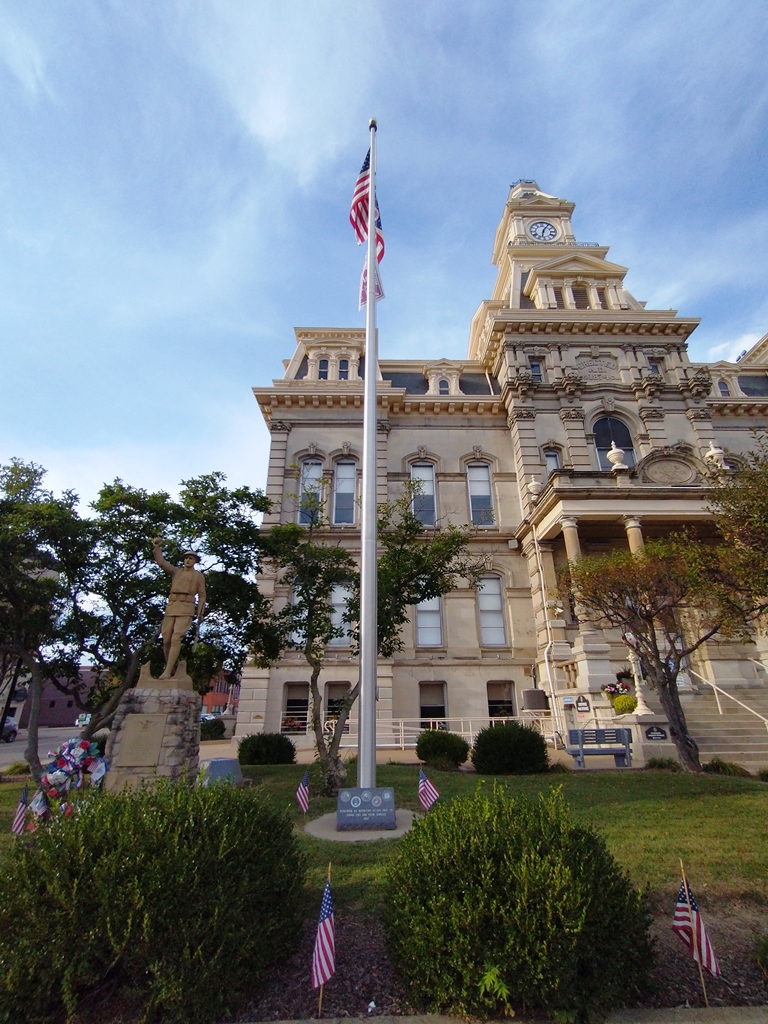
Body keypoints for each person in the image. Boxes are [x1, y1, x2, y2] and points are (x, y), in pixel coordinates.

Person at [152, 538, 206, 678]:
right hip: (172, 606)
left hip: (186, 607)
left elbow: (202, 595)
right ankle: (170, 666)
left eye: (191, 558)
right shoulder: (176, 572)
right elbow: (162, 563)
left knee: (176, 638)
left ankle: (168, 671)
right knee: (166, 639)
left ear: (195, 561)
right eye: (186, 558)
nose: (188, 560)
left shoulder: (198, 576)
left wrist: (200, 611)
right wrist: (157, 548)